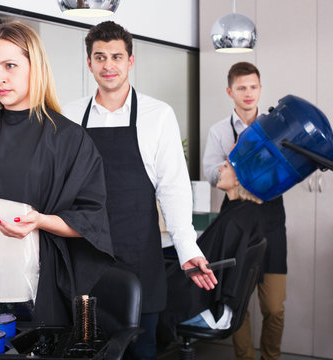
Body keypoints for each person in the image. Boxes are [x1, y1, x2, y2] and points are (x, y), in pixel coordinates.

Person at [0, 21, 114, 324]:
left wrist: (40, 221)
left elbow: (91, 221)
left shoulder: (69, 139)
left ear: (35, 66)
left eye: (10, 65)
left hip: (32, 292)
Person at [63, 21, 217, 360]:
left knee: (141, 350)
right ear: (89, 63)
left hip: (139, 256)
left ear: (130, 61)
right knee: (87, 349)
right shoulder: (71, 115)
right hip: (85, 259)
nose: (108, 65)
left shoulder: (157, 115)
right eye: (99, 57)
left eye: (116, 56)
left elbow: (173, 188)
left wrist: (187, 248)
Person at [203, 62, 287, 360]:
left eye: (253, 87)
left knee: (274, 307)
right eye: (241, 88)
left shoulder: (275, 128)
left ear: (260, 89)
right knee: (236, 302)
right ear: (230, 91)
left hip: (272, 219)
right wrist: (236, 162)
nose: (248, 93)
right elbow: (212, 174)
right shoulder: (219, 132)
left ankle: (270, 357)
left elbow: (285, 172)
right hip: (237, 216)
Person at [157, 160, 264, 340]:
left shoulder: (233, 222)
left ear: (239, 179)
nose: (220, 169)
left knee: (144, 306)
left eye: (227, 166)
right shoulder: (245, 212)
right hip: (221, 310)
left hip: (210, 312)